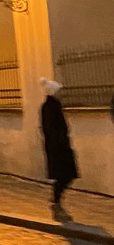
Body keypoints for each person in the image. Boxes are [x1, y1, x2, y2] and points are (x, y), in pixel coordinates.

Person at [40, 77, 78, 214]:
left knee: (65, 174)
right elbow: (52, 128)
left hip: (58, 146)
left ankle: (56, 197)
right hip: (58, 147)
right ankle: (56, 197)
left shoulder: (51, 105)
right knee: (66, 174)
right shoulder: (51, 106)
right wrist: (62, 141)